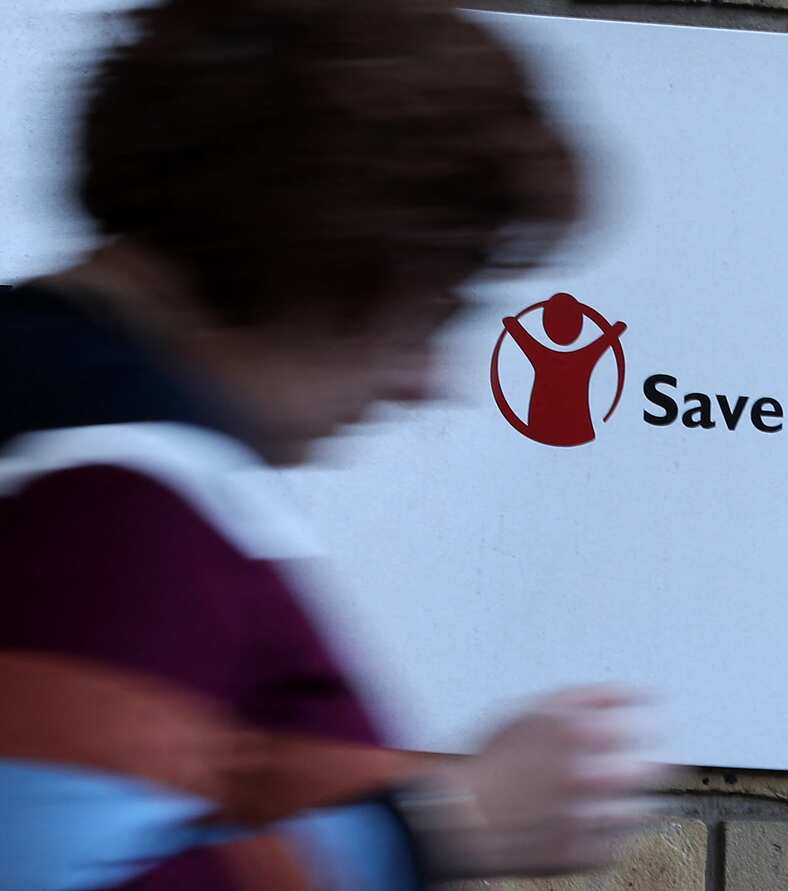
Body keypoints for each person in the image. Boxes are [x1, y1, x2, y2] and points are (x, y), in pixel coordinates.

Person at [0, 1, 663, 888]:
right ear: (318, 252)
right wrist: (451, 824)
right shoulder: (119, 490)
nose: (428, 381)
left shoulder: (72, 424)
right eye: (431, 309)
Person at [501, 293, 627, 447]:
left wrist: (537, 307)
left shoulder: (541, 355)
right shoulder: (585, 357)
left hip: (541, 428)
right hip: (578, 431)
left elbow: (512, 325)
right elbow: (613, 334)